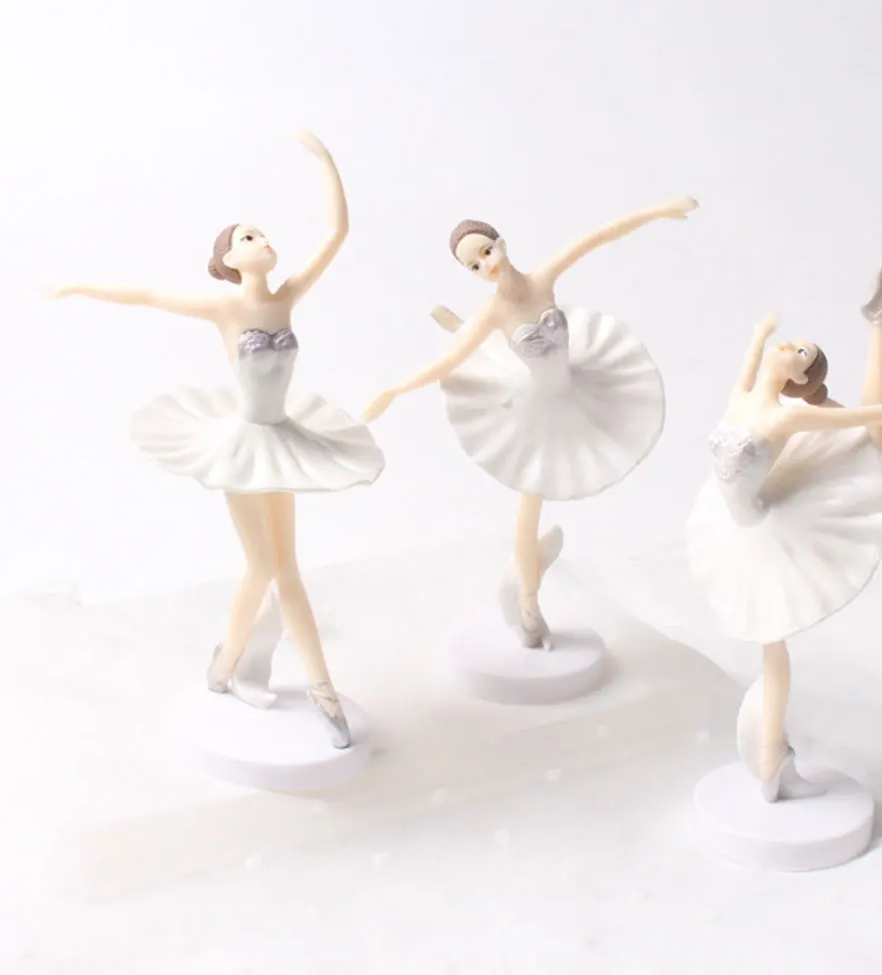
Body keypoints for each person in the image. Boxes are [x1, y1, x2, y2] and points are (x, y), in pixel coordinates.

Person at [46, 132, 383, 748]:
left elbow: (337, 233)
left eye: (262, 234)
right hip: (242, 446)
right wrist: (79, 288)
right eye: (247, 237)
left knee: (287, 567)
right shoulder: (225, 309)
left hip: (283, 438)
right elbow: (148, 295)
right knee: (265, 565)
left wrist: (327, 161)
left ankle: (313, 685)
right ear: (229, 259)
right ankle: (233, 665)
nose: (262, 240)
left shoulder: (286, 298)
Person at [687, 255, 882, 799]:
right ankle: (772, 755)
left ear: (799, 378)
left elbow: (864, 419)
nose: (791, 346)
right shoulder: (744, 397)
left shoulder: (790, 416)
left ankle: (771, 755)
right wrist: (760, 333)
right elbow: (750, 362)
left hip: (770, 526)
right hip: (733, 525)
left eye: (801, 352)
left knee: (772, 644)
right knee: (767, 642)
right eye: (796, 344)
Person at [365, 198, 697, 648]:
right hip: (534, 407)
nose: (486, 265)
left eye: (486, 252)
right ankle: (528, 603)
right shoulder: (493, 313)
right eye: (474, 266)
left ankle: (526, 593)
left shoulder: (542, 279)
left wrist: (659, 211)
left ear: (501, 243)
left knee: (582, 460)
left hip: (577, 387)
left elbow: (598, 236)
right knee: (530, 498)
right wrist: (395, 391)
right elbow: (447, 363)